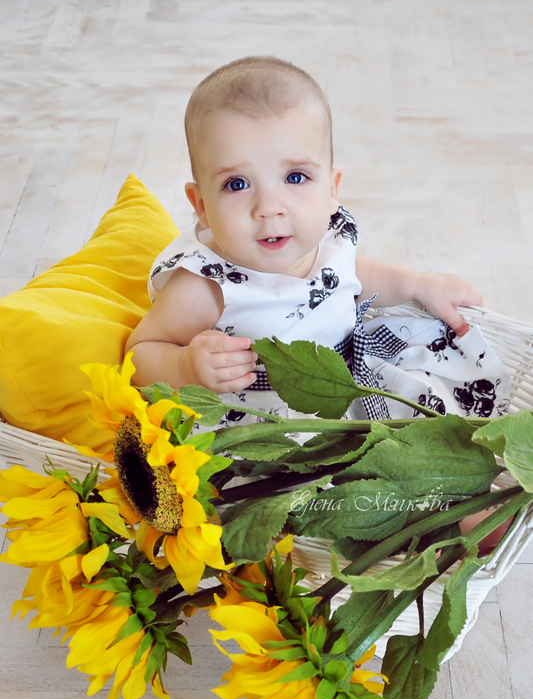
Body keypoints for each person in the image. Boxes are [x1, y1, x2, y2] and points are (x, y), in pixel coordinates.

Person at [126, 55, 507, 426]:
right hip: (269, 427)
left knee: (434, 420)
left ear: (331, 188)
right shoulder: (206, 287)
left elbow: (355, 274)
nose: (269, 208)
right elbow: (139, 353)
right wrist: (184, 366)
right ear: (202, 206)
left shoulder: (329, 241)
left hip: (352, 394)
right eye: (237, 184)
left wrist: (419, 284)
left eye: (295, 177)